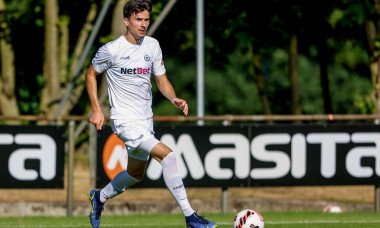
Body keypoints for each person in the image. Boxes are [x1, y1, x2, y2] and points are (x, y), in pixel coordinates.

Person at [85, 0, 218, 228]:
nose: (143, 24)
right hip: (125, 122)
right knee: (169, 156)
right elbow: (90, 75)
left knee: (135, 174)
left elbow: (161, 79)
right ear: (126, 21)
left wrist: (173, 98)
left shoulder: (153, 46)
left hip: (145, 121)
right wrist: (97, 109)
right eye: (138, 20)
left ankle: (100, 197)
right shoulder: (111, 50)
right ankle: (190, 217)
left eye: (146, 19)